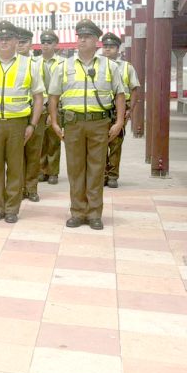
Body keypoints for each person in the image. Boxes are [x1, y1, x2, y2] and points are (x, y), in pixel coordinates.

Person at [48, 19, 125, 230]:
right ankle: (77, 211)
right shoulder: (64, 66)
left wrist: (118, 121)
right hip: (73, 124)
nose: (81, 40)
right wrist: (54, 121)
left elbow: (120, 94)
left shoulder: (110, 66)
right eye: (79, 36)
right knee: (75, 169)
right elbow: (53, 96)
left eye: (87, 37)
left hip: (99, 123)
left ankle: (94, 214)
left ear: (96, 41)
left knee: (96, 169)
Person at [0, 20, 45, 224]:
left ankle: (12, 208)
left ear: (15, 41)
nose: (4, 42)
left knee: (15, 167)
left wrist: (32, 124)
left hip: (17, 124)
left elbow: (39, 96)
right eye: (1, 38)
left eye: (8, 38)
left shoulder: (29, 64)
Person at [100, 32, 141, 188]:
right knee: (101, 143)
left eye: (111, 47)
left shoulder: (126, 67)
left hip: (120, 112)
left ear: (118, 49)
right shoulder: (98, 66)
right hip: (102, 110)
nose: (108, 50)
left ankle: (113, 176)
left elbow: (135, 89)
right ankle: (103, 174)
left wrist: (130, 109)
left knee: (116, 144)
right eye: (105, 47)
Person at [15, 27, 45, 203]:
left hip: (36, 113)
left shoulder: (39, 64)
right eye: (18, 42)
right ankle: (18, 187)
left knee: (34, 153)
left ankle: (31, 188)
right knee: (16, 153)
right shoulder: (11, 63)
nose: (20, 46)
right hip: (17, 114)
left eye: (24, 42)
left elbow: (47, 91)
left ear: (30, 44)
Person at [38, 30, 64, 185]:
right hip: (39, 106)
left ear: (55, 45)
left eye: (49, 42)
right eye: (43, 42)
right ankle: (41, 169)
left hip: (56, 106)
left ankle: (53, 171)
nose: (45, 45)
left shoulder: (62, 63)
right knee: (40, 140)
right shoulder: (35, 62)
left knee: (54, 140)